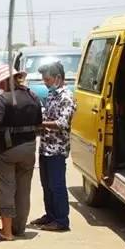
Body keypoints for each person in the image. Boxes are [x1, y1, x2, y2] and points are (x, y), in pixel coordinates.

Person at [0, 66, 42, 241]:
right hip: (29, 147)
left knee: (7, 189)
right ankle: (19, 228)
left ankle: (6, 232)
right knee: (24, 189)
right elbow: (39, 121)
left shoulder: (2, 99)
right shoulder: (32, 96)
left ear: (3, 81)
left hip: (7, 149)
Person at [31, 62, 77, 232]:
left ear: (58, 78)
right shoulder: (52, 95)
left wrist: (40, 123)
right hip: (45, 147)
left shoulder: (66, 97)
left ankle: (61, 219)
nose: (45, 83)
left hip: (57, 149)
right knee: (46, 184)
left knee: (57, 185)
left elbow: (62, 123)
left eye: (48, 79)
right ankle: (50, 215)